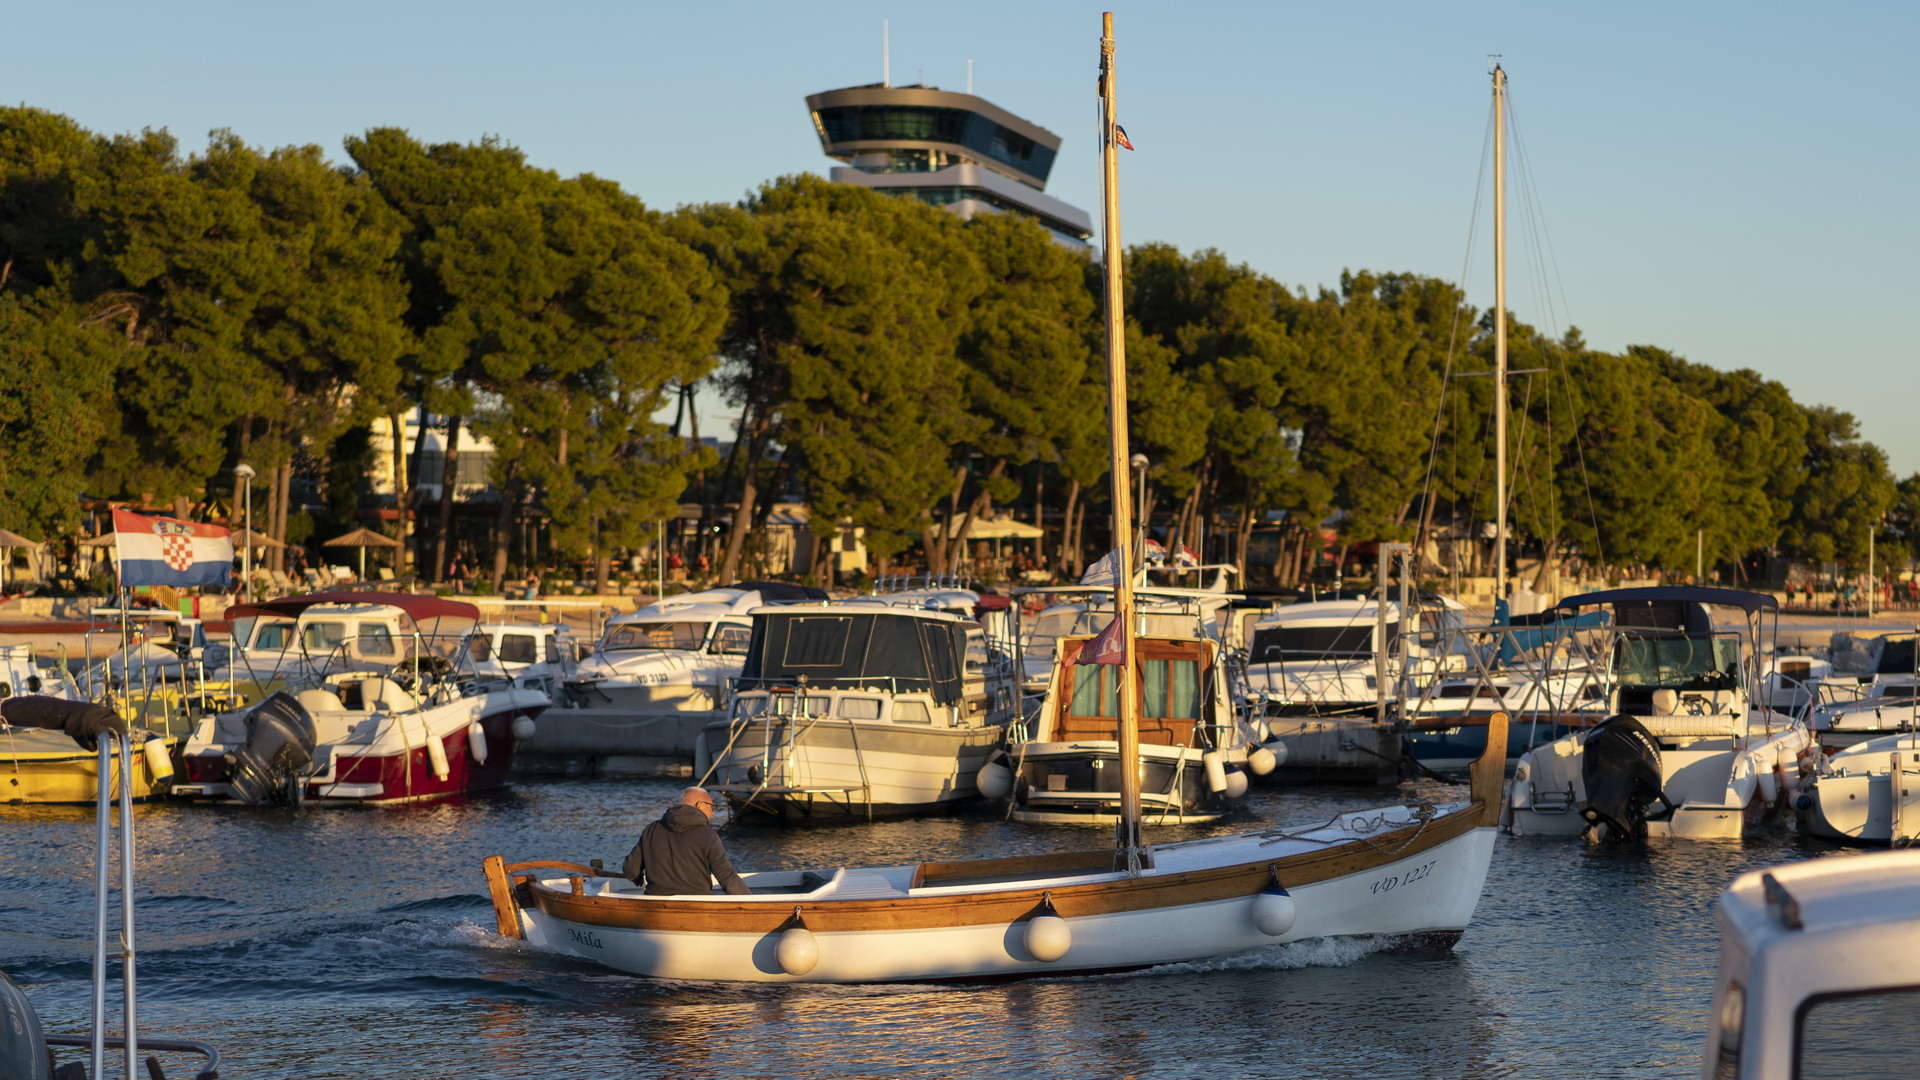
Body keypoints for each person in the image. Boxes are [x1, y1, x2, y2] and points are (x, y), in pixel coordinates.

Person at [622, 787, 750, 896]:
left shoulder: (651, 829)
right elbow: (727, 878)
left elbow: (630, 870)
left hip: (655, 904)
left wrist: (636, 876)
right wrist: (751, 901)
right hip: (696, 906)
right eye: (712, 807)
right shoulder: (708, 836)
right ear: (699, 805)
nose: (713, 814)